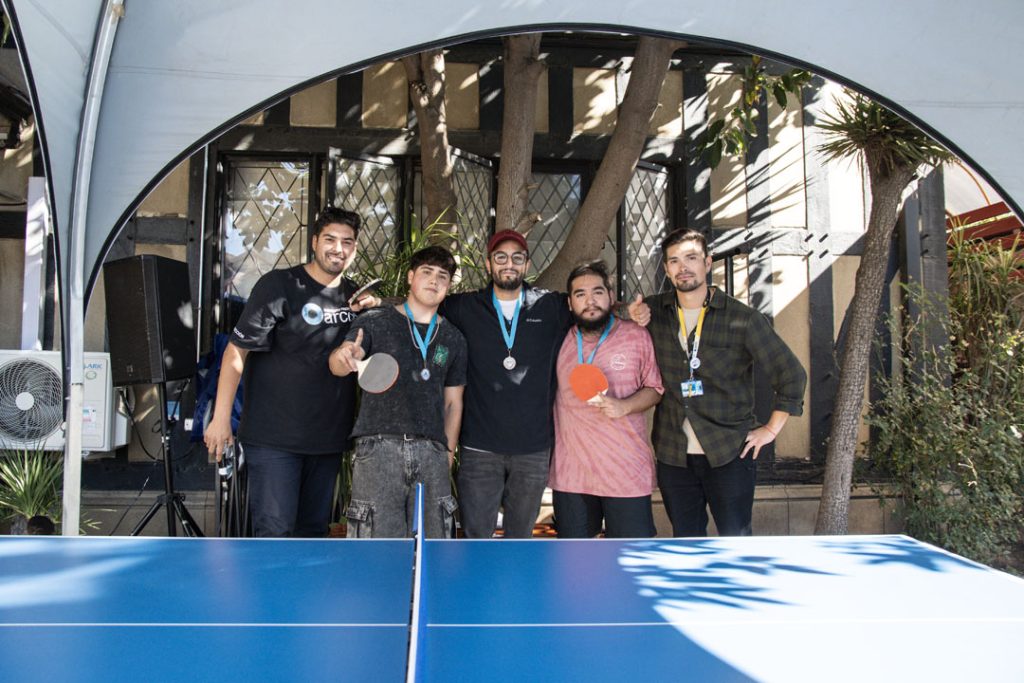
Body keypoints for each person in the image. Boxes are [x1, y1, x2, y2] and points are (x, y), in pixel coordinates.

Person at [441, 230, 650, 539]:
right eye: (500, 257)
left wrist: (628, 312)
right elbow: (423, 305)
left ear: (526, 265)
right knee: (476, 537)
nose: (508, 264)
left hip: (533, 450)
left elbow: (589, 306)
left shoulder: (549, 306)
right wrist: (378, 303)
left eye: (517, 258)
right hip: (479, 448)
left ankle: (518, 589)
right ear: (488, 265)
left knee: (521, 539)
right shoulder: (464, 307)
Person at [203, 207, 378, 537]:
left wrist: (376, 311)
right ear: (314, 241)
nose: (338, 249)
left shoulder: (357, 298)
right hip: (274, 441)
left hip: (326, 442)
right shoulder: (279, 285)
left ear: (355, 248)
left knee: (312, 535)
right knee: (276, 534)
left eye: (347, 242)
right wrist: (221, 417)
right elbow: (236, 352)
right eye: (330, 239)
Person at [644, 228, 807, 537]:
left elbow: (792, 375)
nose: (683, 267)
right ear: (666, 269)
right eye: (674, 261)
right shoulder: (653, 312)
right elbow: (612, 314)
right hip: (673, 454)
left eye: (691, 258)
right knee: (686, 540)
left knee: (735, 540)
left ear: (707, 263)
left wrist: (770, 430)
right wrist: (629, 311)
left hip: (729, 452)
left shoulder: (743, 318)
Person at [330, 246, 467, 538]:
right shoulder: (374, 321)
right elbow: (339, 364)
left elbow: (453, 403)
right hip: (378, 450)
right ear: (410, 277)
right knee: (378, 555)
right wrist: (345, 355)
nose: (434, 281)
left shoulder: (454, 338)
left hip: (432, 453)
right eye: (426, 272)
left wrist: (447, 453)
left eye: (443, 276)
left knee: (433, 550)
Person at [549, 260, 664, 538]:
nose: (590, 301)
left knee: (631, 561)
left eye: (598, 292)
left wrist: (625, 406)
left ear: (611, 297)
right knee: (576, 564)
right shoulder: (557, 337)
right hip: (572, 476)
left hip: (625, 472)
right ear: (569, 304)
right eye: (580, 294)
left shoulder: (636, 335)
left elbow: (655, 389)